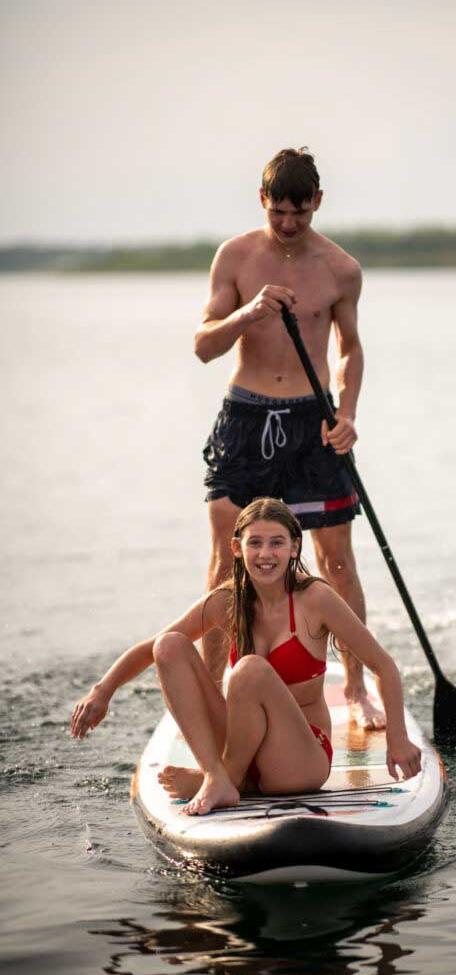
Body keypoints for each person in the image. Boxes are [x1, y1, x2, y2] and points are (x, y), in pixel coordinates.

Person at [70, 498, 421, 815]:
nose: (265, 554)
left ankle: (229, 780)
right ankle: (217, 775)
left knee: (250, 669)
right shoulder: (228, 601)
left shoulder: (316, 598)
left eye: (276, 542)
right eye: (255, 542)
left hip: (299, 759)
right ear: (237, 548)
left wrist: (398, 740)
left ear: (294, 547)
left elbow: (384, 667)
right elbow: (153, 648)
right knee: (170, 645)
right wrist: (103, 690)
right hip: (241, 745)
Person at [196, 146, 385, 730]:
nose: (287, 224)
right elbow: (204, 345)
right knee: (228, 560)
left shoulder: (340, 269)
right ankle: (212, 694)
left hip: (313, 422)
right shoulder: (234, 256)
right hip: (246, 420)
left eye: (299, 213)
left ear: (317, 204)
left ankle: (353, 688)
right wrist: (249, 313)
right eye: (278, 212)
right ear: (263, 201)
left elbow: (350, 349)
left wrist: (347, 412)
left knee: (337, 562)